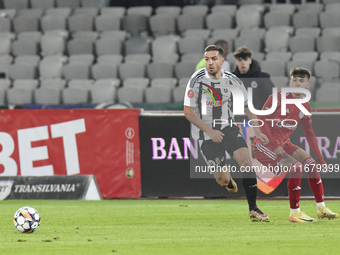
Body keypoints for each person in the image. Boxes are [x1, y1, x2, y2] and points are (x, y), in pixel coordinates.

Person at [184, 45, 270, 221]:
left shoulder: (233, 80)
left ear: (222, 61)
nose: (210, 62)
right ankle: (228, 182)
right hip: (205, 134)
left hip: (228, 127)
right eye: (207, 59)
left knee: (246, 162)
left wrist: (258, 131)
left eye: (214, 59)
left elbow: (247, 107)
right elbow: (188, 112)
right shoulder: (196, 80)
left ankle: (253, 208)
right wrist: (210, 130)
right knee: (222, 180)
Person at [253, 67, 338, 222]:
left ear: (308, 85)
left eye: (301, 80)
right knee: (297, 167)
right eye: (294, 80)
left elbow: (309, 133)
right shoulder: (278, 97)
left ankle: (321, 207)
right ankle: (295, 212)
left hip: (284, 143)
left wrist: (321, 159)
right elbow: (261, 119)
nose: (297, 83)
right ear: (290, 82)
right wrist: (273, 144)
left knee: (311, 164)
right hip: (264, 145)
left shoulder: (304, 105)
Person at [233, 46, 274, 111]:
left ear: (250, 61)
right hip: (237, 116)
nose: (243, 63)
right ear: (236, 62)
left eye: (245, 59)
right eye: (240, 60)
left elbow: (272, 97)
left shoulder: (262, 77)